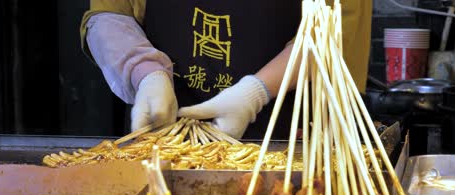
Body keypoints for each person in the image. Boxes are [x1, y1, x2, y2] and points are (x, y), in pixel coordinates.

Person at [80, 0, 372, 139]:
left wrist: (254, 93)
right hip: (160, 138)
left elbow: (337, 25)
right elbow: (110, 15)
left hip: (287, 144)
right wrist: (145, 73)